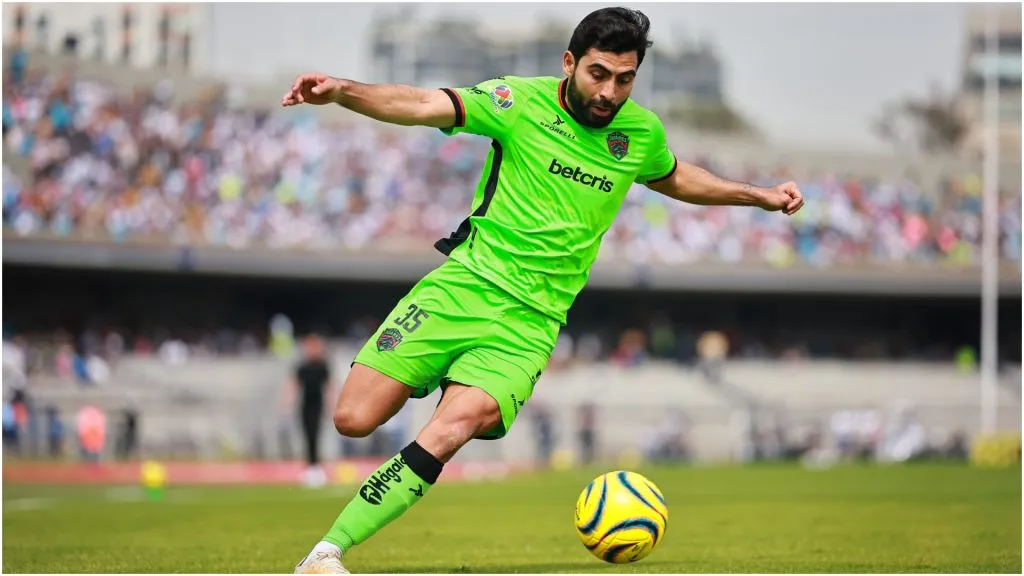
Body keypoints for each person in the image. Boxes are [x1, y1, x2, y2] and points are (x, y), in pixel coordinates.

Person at [285, 7, 804, 573]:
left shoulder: (640, 133)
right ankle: (424, 374)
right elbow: (421, 104)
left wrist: (759, 196)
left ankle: (326, 552)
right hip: (462, 287)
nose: (610, 92)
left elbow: (674, 175)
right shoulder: (517, 102)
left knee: (456, 425)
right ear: (569, 63)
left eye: (625, 79)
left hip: (531, 324)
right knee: (353, 419)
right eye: (599, 74)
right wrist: (342, 92)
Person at [285, 334, 334, 487]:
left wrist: (330, 404)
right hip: (305, 405)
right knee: (307, 435)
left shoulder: (323, 366)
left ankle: (316, 467)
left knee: (315, 435)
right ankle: (309, 467)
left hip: (317, 405)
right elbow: (294, 384)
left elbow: (329, 386)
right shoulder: (302, 366)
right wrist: (288, 401)